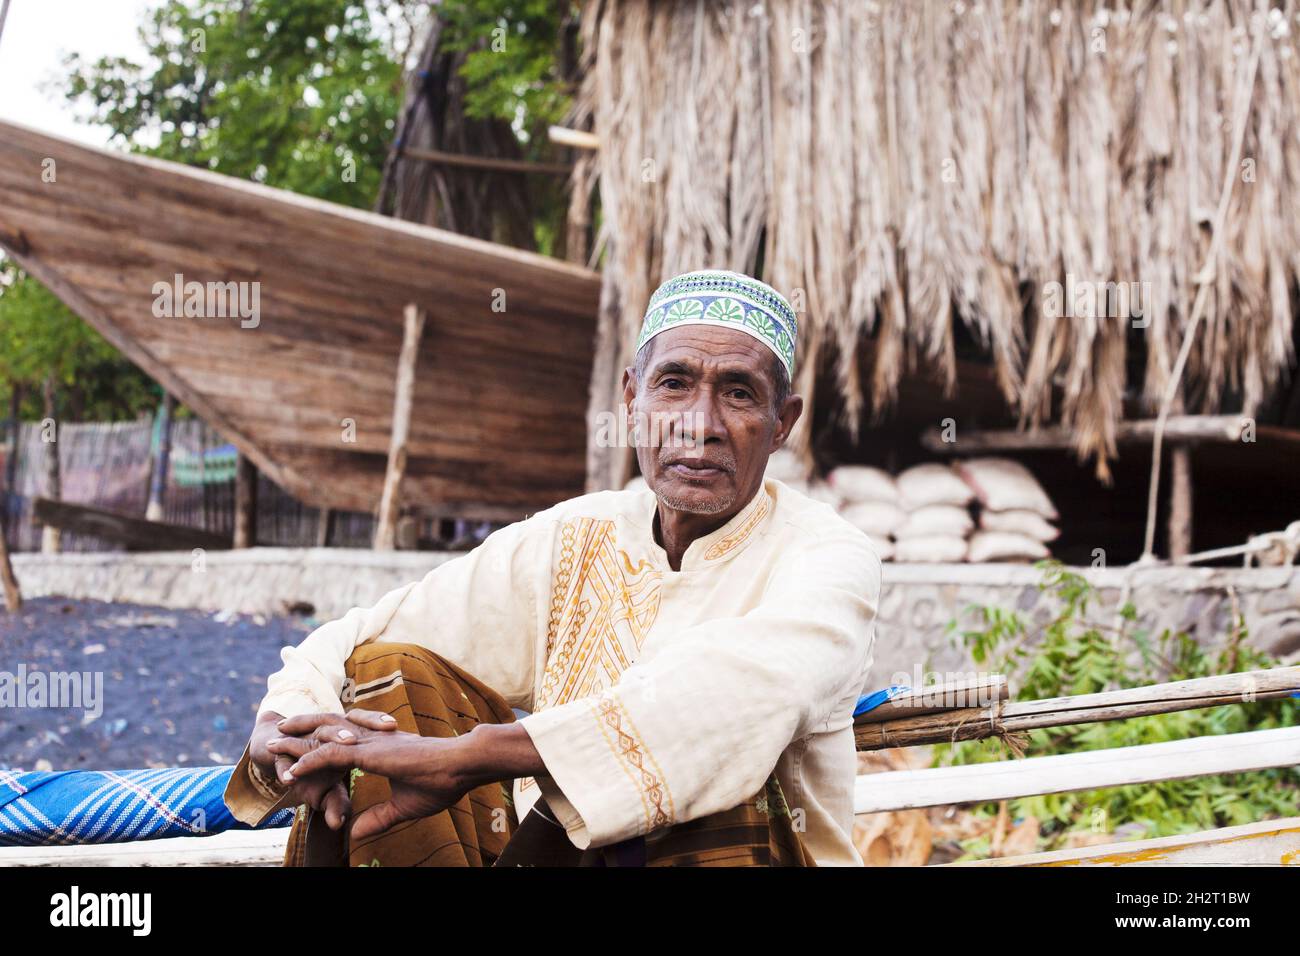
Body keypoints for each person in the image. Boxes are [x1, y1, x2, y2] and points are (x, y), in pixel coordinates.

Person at [224, 269, 882, 866]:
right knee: (383, 674)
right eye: (674, 384)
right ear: (632, 398)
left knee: (699, 784)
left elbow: (735, 700)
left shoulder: (825, 556)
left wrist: (468, 759)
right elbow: (363, 634)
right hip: (554, 857)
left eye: (738, 394)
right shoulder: (578, 533)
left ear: (782, 422)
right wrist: (287, 721)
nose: (698, 425)